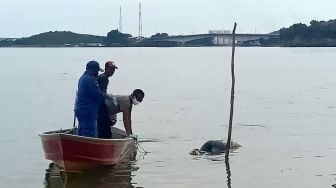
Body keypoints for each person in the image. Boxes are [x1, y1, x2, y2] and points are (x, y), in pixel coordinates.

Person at [75, 60, 104, 137]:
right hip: (87, 111)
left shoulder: (82, 78)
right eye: (97, 71)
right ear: (92, 70)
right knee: (90, 134)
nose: (97, 73)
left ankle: (80, 147)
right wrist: (105, 96)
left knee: (82, 132)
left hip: (80, 109)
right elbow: (98, 96)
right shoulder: (90, 80)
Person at [97, 61, 118, 138]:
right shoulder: (104, 78)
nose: (112, 71)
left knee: (102, 124)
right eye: (111, 69)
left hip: (97, 104)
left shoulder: (103, 77)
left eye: (113, 69)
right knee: (105, 125)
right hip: (99, 105)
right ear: (106, 69)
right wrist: (110, 97)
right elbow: (102, 94)